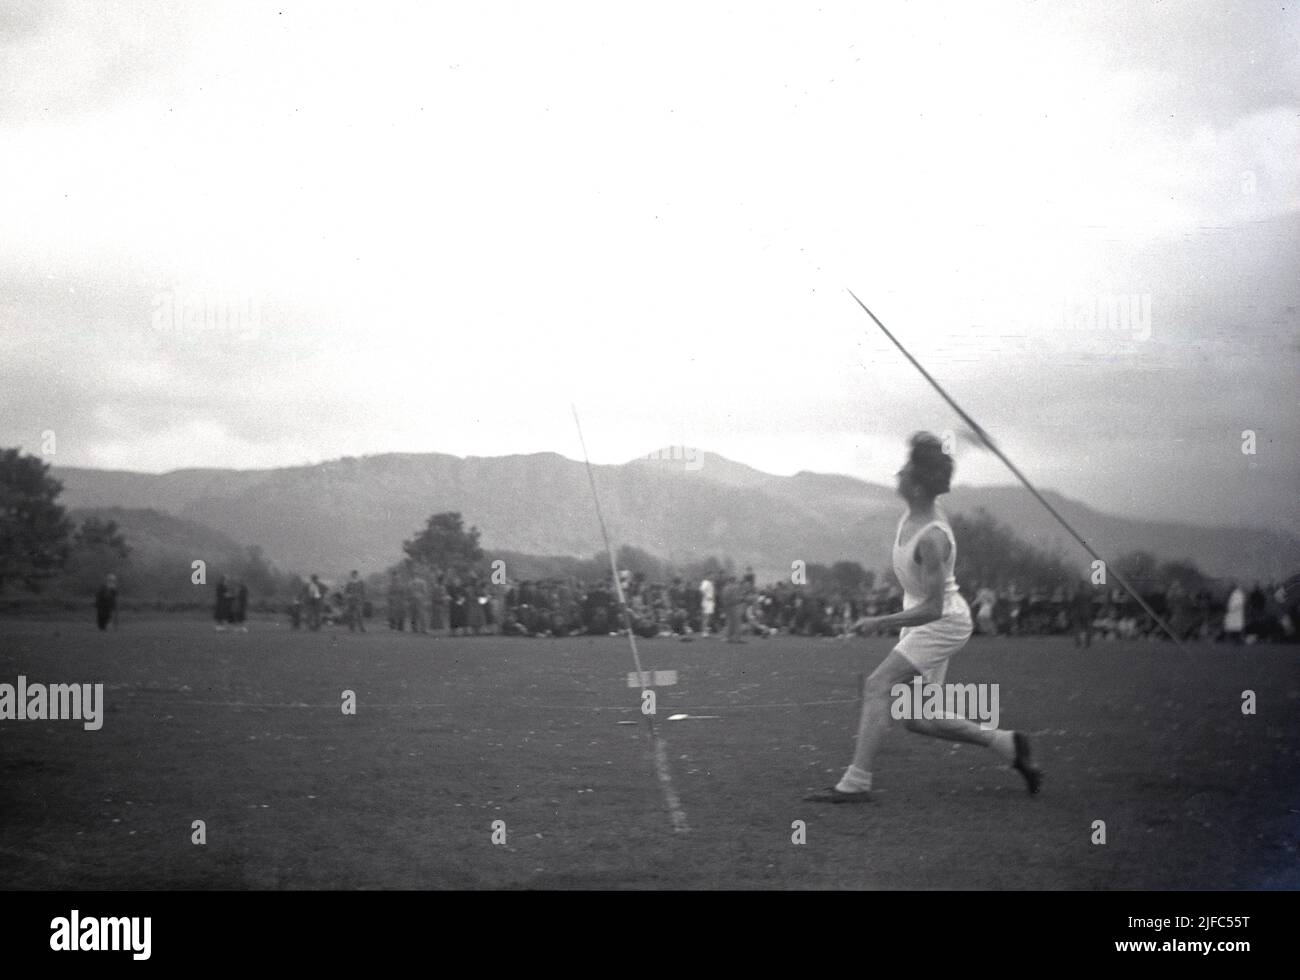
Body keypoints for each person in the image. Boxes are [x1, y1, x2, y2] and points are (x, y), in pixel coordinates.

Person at [806, 432, 1042, 803]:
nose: (898, 474)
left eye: (905, 471)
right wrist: (962, 441)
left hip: (942, 622)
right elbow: (935, 468)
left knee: (877, 684)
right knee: (918, 718)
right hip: (929, 620)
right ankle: (1007, 744)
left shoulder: (932, 538)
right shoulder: (916, 511)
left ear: (916, 487)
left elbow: (933, 608)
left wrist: (878, 622)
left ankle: (856, 782)